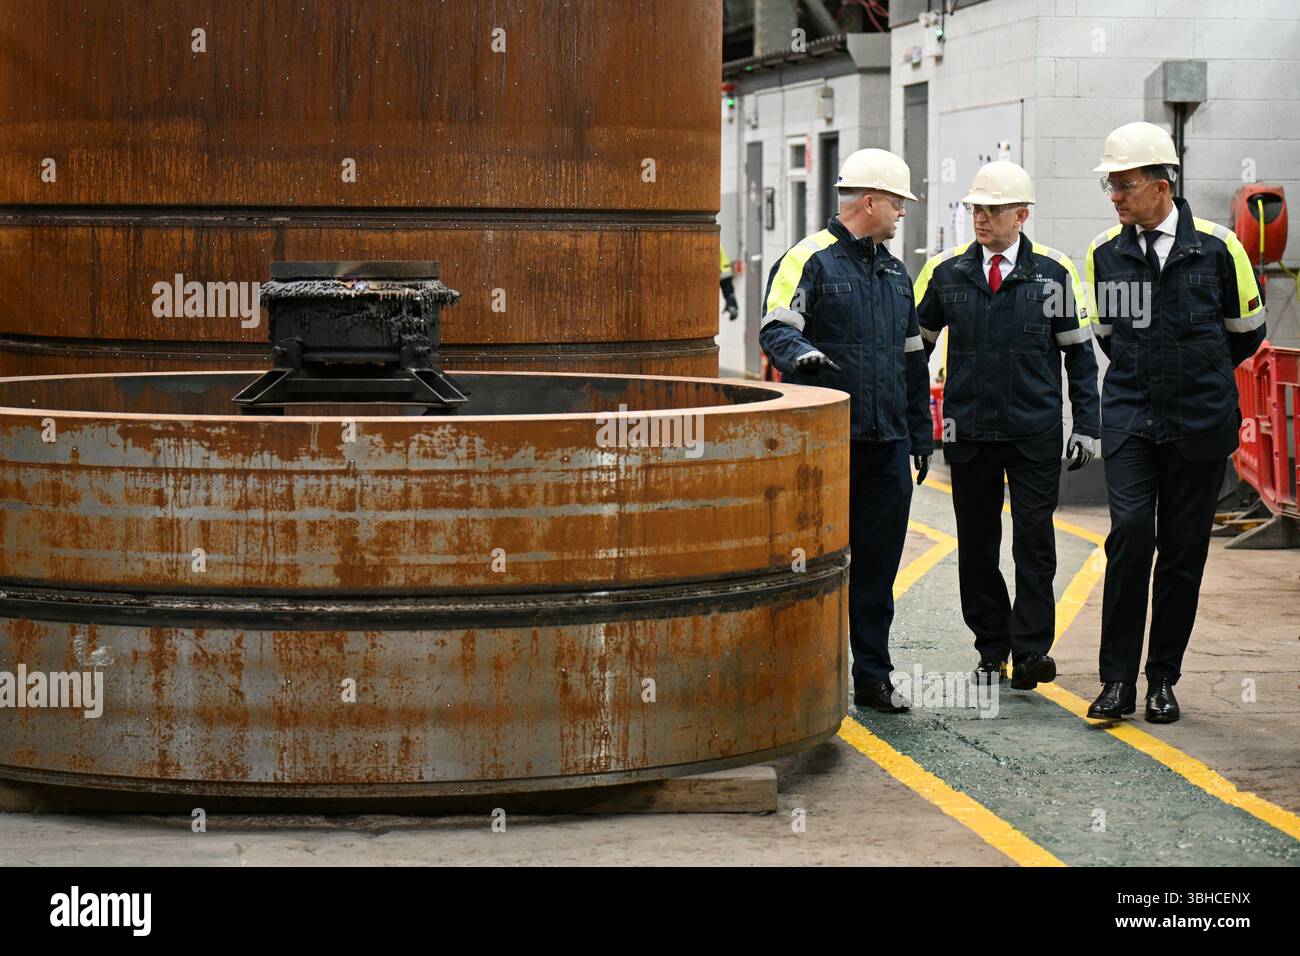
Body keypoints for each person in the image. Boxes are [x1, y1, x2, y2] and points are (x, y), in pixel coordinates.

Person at [1084, 121, 1265, 722]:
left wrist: (1194, 376)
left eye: (1124, 185)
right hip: (1133, 417)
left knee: (1183, 552)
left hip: (1200, 424)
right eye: (1110, 185)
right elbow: (1110, 336)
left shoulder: (1218, 247)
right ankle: (1117, 682)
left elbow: (1246, 335)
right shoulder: (1106, 253)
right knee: (1131, 535)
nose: (1114, 196)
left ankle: (1163, 678)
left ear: (1162, 184)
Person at [914, 161, 1101, 690]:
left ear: (1021, 215)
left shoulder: (1053, 273)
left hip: (1034, 433)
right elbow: (914, 350)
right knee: (976, 546)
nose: (981, 218)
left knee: (1034, 544)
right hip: (968, 433)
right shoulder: (948, 273)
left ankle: (1032, 651)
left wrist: (1087, 425)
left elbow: (1079, 357)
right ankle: (991, 647)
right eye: (976, 209)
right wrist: (913, 424)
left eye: (992, 210)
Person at [759, 148, 933, 713]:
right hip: (825, 446)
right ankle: (802, 678)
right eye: (898, 204)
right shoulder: (809, 259)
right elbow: (776, 327)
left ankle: (873, 676)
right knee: (810, 564)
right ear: (871, 200)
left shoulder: (894, 272)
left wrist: (921, 433)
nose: (902, 213)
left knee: (878, 569)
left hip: (886, 448)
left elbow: (912, 361)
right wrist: (802, 354)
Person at [720, 242, 739, 321]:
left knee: (727, 292)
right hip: (726, 270)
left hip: (721, 272)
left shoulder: (713, 243)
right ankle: (732, 306)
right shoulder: (719, 242)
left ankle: (731, 306)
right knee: (729, 292)